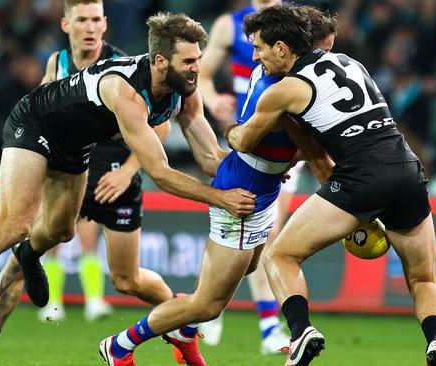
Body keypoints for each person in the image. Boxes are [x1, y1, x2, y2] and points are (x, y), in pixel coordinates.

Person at [0, 12, 256, 355]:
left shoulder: (184, 89)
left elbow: (211, 156)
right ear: (161, 61)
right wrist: (220, 198)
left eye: (198, 59)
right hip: (35, 123)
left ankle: (28, 255)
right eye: (189, 61)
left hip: (76, 145)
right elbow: (160, 173)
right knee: (17, 223)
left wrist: (254, 172)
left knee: (60, 232)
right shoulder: (125, 89)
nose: (198, 67)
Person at [97, 8, 336, 366]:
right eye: (324, 51)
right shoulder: (281, 87)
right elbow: (256, 141)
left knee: (254, 265)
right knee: (206, 305)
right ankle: (119, 345)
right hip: (243, 195)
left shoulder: (276, 74)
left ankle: (184, 331)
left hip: (262, 187)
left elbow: (280, 143)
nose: (328, 60)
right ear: (295, 47)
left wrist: (276, 162)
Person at [0, 2, 174, 365]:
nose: (90, 28)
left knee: (127, 280)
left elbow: (159, 126)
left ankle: (181, 322)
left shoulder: (126, 67)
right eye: (82, 20)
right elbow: (41, 110)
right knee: (25, 250)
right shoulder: (57, 62)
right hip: (69, 171)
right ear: (66, 24)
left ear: (105, 24)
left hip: (114, 172)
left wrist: (128, 170)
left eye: (96, 20)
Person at [227, 5, 436, 366]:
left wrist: (229, 130)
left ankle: (301, 332)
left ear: (282, 48)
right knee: (424, 279)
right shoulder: (351, 63)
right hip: (408, 168)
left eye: (261, 49)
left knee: (280, 256)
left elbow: (245, 141)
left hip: (360, 175)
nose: (257, 57)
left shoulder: (286, 89)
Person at [198, 0, 292, 353]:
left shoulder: (291, 23)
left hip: (282, 144)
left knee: (270, 234)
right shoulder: (229, 24)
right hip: (247, 137)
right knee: (241, 230)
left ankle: (264, 325)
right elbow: (202, 75)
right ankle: (212, 311)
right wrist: (213, 99)